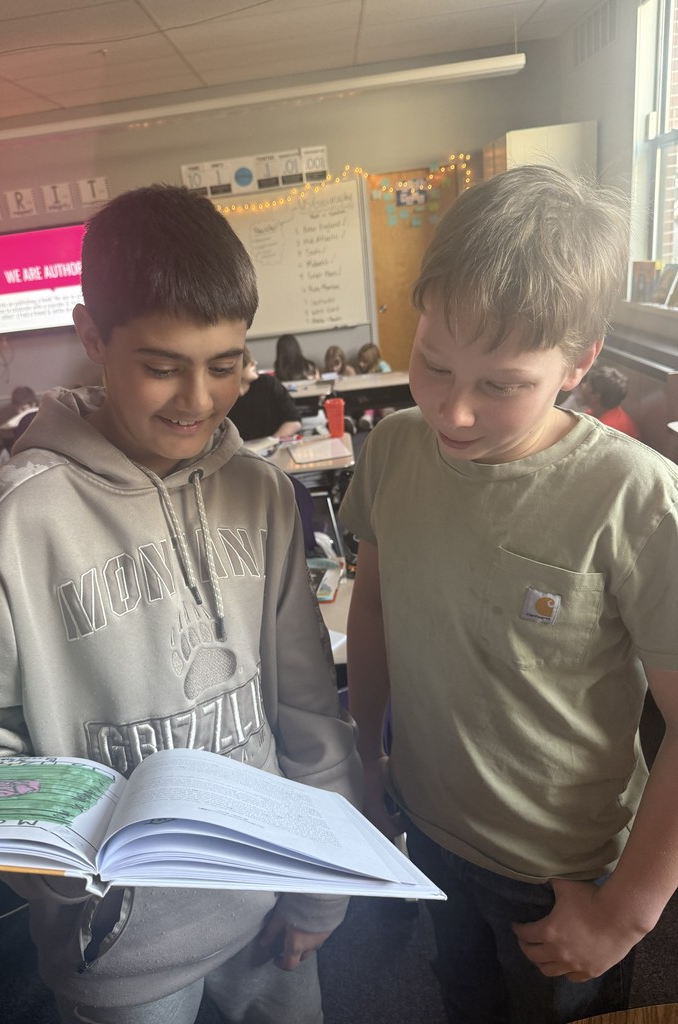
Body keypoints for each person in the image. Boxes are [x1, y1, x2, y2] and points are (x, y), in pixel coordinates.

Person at [0, 184, 361, 1024]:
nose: (198, 398)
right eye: (162, 367)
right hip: (121, 951)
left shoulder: (260, 495)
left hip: (271, 911)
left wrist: (320, 888)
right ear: (92, 338)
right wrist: (83, 882)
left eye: (225, 365)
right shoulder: (17, 519)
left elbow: (305, 706)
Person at [339, 165, 678, 1024]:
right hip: (430, 828)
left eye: (500, 385)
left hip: (563, 875)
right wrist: (368, 755)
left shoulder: (633, 497)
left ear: (579, 362)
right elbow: (373, 610)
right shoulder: (391, 451)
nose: (452, 412)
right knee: (462, 998)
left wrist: (625, 916)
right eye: (433, 364)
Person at [228, 347, 302, 440]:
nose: (255, 363)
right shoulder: (224, 398)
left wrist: (271, 442)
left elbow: (293, 421)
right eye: (250, 362)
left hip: (274, 446)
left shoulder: (268, 383)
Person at [580, 364, 641, 439]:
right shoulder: (597, 412)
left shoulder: (606, 430)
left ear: (595, 396)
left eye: (587, 384)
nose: (582, 385)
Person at [355, 344, 392, 430]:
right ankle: (367, 418)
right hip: (370, 400)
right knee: (368, 406)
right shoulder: (361, 371)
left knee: (386, 404)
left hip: (382, 397)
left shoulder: (382, 366)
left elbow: (388, 377)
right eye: (360, 361)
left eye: (364, 361)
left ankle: (387, 415)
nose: (361, 364)